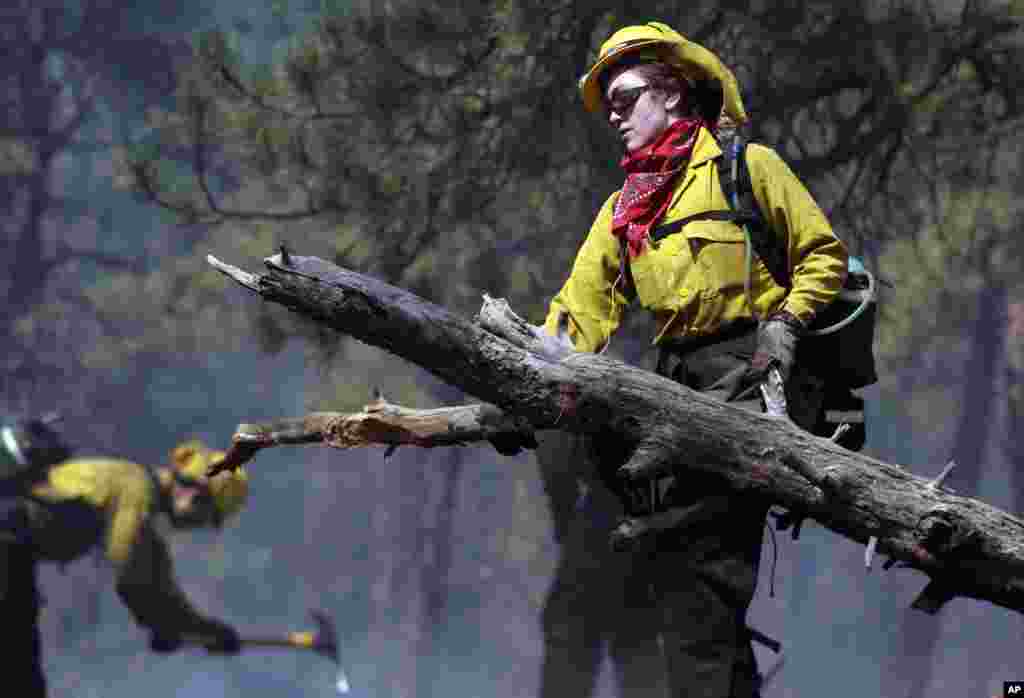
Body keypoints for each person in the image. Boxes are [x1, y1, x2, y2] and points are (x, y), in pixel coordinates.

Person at [542, 21, 849, 698]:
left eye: (626, 98)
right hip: (676, 389)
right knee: (692, 586)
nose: (614, 115)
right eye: (610, 105)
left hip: (753, 380)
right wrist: (523, 376)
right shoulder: (626, 208)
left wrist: (788, 326)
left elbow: (823, 255)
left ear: (674, 95)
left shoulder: (747, 168)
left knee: (697, 583)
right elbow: (578, 314)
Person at [0, 417, 249, 698]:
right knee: (19, 680)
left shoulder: (137, 498)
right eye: (208, 518)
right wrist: (166, 625)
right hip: (8, 548)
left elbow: (158, 581)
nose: (199, 526)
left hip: (13, 554)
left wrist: (204, 630)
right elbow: (132, 573)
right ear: (195, 496)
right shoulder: (134, 488)